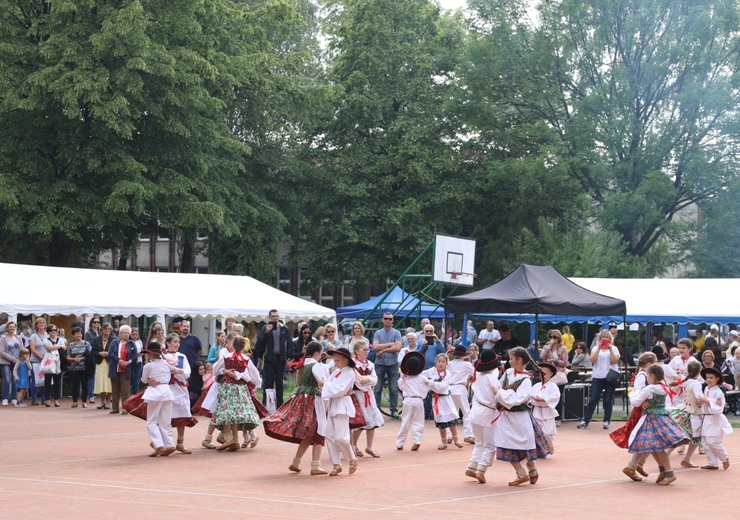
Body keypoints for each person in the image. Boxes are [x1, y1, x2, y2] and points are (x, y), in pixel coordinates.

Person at [263, 341, 329, 475]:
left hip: (301, 399)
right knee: (320, 429)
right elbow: (323, 384)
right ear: (317, 353)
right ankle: (315, 466)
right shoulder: (316, 366)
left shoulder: (303, 364)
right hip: (313, 400)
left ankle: (296, 462)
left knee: (310, 433)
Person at [494, 346, 552, 485]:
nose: (509, 360)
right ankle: (522, 474)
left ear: (519, 360)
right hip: (506, 416)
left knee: (525, 443)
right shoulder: (508, 373)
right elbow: (499, 385)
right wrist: (499, 392)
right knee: (506, 444)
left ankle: (531, 469)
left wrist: (499, 393)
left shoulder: (526, 380)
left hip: (520, 417)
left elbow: (516, 399)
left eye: (511, 358)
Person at [627, 364, 688, 485]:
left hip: (652, 420)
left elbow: (635, 402)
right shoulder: (663, 386)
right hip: (662, 417)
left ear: (652, 375)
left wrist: (632, 393)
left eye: (648, 375)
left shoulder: (649, 388)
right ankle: (663, 470)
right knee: (653, 446)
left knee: (658, 447)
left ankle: (669, 472)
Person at [611, 351, 657, 481]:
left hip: (646, 410)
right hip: (641, 411)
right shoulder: (642, 376)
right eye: (654, 363)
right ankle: (632, 466)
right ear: (648, 364)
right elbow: (637, 392)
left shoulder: (646, 375)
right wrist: (642, 402)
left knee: (650, 439)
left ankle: (637, 464)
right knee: (646, 439)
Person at [212, 336, 259, 452]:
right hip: (241, 388)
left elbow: (214, 369)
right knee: (237, 412)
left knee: (226, 412)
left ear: (233, 345)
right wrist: (255, 384)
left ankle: (231, 438)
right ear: (243, 347)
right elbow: (255, 374)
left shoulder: (226, 357)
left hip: (228, 387)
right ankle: (236, 440)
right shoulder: (245, 358)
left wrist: (224, 371)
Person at [465, 349, 502, 484]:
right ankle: (481, 469)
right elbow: (497, 393)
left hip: (476, 411)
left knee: (479, 442)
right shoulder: (491, 377)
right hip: (487, 412)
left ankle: (472, 466)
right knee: (490, 445)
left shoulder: (479, 376)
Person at [321, 347, 359, 476]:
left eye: (338, 360)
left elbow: (341, 390)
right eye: (335, 360)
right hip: (332, 405)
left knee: (341, 437)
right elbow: (330, 389)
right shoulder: (335, 373)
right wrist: (326, 385)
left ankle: (352, 458)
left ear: (346, 360)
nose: (335, 362)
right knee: (330, 436)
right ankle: (336, 464)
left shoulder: (350, 373)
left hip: (342, 405)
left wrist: (325, 384)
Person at [664, 360, 703, 468]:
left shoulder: (688, 381)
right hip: (693, 412)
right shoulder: (696, 383)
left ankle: (675, 456)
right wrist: (706, 400)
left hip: (686, 410)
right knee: (695, 437)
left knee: (684, 436)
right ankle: (683, 458)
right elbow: (699, 396)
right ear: (699, 371)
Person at [578, 330, 620, 429]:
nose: (606, 339)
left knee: (608, 400)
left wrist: (610, 350)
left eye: (608, 337)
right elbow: (592, 360)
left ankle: (606, 421)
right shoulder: (595, 348)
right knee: (593, 399)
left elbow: (614, 361)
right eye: (603, 337)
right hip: (597, 376)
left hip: (609, 376)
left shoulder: (614, 348)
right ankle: (586, 420)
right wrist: (599, 349)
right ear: (600, 339)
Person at [140, 342, 176, 457]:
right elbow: (175, 371)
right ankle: (169, 444)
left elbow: (144, 379)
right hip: (166, 391)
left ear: (150, 353)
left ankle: (159, 444)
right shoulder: (166, 363)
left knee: (151, 421)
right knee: (165, 421)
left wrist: (149, 381)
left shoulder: (148, 366)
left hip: (155, 392)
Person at [163, 333, 198, 453]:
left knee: (182, 413)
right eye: (174, 342)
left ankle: (180, 442)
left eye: (178, 342)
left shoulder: (182, 356)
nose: (177, 344)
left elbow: (188, 372)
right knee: (166, 415)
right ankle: (165, 443)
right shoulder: (163, 356)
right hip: (167, 388)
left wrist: (179, 371)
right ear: (168, 343)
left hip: (180, 388)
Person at [351, 339, 384, 458]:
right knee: (360, 421)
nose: (367, 352)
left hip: (368, 395)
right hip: (357, 395)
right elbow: (358, 380)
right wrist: (366, 380)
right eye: (364, 350)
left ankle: (369, 446)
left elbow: (375, 380)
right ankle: (353, 445)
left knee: (372, 421)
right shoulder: (353, 365)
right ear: (356, 351)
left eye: (367, 349)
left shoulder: (370, 364)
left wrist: (368, 380)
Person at [423, 353, 463, 449]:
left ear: (446, 363)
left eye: (443, 362)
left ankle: (456, 440)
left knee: (451, 419)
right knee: (441, 421)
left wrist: (430, 383)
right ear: (436, 362)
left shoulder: (447, 374)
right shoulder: (432, 371)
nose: (440, 363)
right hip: (436, 400)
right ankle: (444, 442)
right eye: (439, 361)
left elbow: (442, 386)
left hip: (445, 399)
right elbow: (422, 375)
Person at [254, 309, 293, 408]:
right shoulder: (265, 328)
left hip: (280, 359)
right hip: (269, 360)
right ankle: (267, 404)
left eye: (277, 316)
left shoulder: (284, 328)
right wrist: (266, 332)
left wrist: (288, 357)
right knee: (268, 383)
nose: (275, 318)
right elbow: (260, 343)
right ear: (269, 317)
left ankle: (280, 405)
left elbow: (289, 343)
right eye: (273, 316)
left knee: (279, 383)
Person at [697, 366, 732, 470]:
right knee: (705, 442)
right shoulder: (707, 388)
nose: (708, 380)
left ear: (717, 379)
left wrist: (707, 402)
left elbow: (718, 409)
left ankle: (724, 458)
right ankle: (712, 463)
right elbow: (705, 401)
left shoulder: (718, 392)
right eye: (707, 377)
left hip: (715, 419)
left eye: (711, 377)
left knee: (713, 441)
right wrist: (701, 403)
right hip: (706, 418)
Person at [372, 312, 402, 420]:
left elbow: (397, 348)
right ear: (382, 320)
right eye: (386, 318)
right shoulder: (378, 333)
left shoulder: (397, 333)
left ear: (393, 320)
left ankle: (394, 410)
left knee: (393, 388)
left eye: (390, 319)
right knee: (377, 388)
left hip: (392, 363)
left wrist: (383, 349)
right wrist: (390, 344)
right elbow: (375, 346)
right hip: (379, 363)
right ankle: (376, 409)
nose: (388, 320)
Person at [395, 351, 427, 451]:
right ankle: (417, 441)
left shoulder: (404, 378)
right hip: (418, 400)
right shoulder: (422, 378)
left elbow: (400, 385)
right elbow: (428, 385)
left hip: (408, 400)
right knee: (418, 422)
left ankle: (400, 443)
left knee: (405, 421)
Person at [529, 362, 560, 453]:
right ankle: (540, 449)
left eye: (546, 373)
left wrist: (543, 399)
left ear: (551, 374)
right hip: (537, 411)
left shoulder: (553, 386)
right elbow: (530, 394)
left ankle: (550, 446)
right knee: (538, 430)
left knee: (547, 431)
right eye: (541, 373)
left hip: (547, 411)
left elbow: (555, 397)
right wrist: (535, 399)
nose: (543, 375)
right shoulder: (536, 386)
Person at [107, 325, 138, 415]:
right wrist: (119, 361)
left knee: (125, 390)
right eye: (125, 333)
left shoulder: (132, 344)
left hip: (126, 369)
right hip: (115, 368)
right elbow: (110, 353)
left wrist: (128, 362)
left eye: (128, 333)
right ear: (120, 333)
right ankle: (115, 408)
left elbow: (135, 355)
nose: (127, 335)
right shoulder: (114, 342)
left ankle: (125, 408)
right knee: (115, 389)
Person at [447, 344, 475, 444]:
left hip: (449, 388)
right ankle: (468, 435)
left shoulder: (449, 364)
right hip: (460, 388)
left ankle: (449, 435)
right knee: (466, 412)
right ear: (464, 355)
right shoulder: (466, 364)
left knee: (451, 412)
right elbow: (474, 374)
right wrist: (469, 378)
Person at [28, 317, 52, 405]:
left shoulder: (49, 335)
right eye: (39, 323)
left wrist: (47, 358)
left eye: (43, 323)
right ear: (36, 325)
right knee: (35, 379)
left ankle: (44, 398)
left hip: (46, 361)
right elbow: (32, 349)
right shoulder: (33, 336)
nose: (41, 324)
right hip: (35, 360)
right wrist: (42, 358)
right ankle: (34, 398)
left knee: (45, 380)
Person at [66, 327, 91, 408]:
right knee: (74, 385)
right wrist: (74, 359)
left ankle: (84, 401)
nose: (79, 335)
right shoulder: (71, 345)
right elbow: (68, 356)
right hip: (74, 368)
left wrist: (82, 359)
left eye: (80, 333)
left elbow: (89, 355)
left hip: (84, 367)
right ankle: (74, 401)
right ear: (73, 335)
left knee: (85, 385)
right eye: (77, 333)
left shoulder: (86, 344)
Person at [91, 322, 113, 409]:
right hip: (100, 363)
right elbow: (92, 352)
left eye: (109, 329)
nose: (107, 330)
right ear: (102, 329)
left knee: (109, 382)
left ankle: (108, 402)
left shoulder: (114, 339)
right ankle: (102, 401)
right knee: (101, 382)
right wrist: (99, 353)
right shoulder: (96, 339)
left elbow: (116, 351)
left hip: (109, 363)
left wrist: (108, 353)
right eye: (106, 328)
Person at [43, 323, 66, 407]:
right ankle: (47, 399)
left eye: (55, 330)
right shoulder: (46, 340)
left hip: (58, 362)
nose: (54, 332)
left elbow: (64, 347)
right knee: (47, 382)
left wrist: (55, 347)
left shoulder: (61, 339)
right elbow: (48, 348)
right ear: (48, 332)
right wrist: (59, 346)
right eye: (52, 330)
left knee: (57, 382)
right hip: (49, 362)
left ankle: (56, 399)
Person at [0, 321, 22, 406]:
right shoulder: (3, 339)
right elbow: (1, 352)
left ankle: (14, 398)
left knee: (14, 380)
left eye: (13, 327)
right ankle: (5, 398)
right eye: (10, 327)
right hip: (6, 362)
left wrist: (20, 359)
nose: (12, 328)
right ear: (7, 328)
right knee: (7, 379)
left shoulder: (18, 338)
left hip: (17, 361)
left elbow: (22, 349)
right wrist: (13, 359)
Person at [129, 327, 144, 395]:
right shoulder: (129, 342)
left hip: (139, 362)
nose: (135, 336)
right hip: (131, 362)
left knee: (136, 380)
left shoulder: (140, 342)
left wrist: (141, 354)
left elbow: (142, 351)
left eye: (136, 334)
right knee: (130, 379)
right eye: (133, 334)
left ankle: (135, 395)